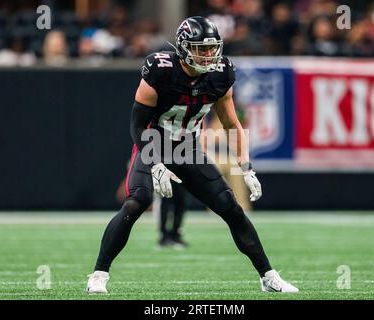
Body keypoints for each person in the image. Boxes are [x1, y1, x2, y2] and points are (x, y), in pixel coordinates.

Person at [86, 16, 298, 294]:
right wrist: (156, 161)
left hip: (187, 148)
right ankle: (99, 273)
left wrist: (246, 167)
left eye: (212, 48)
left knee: (230, 207)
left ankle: (268, 276)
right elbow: (138, 124)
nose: (209, 54)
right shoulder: (160, 70)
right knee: (137, 202)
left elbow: (232, 124)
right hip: (154, 141)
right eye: (201, 48)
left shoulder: (221, 73)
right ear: (184, 48)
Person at [157, 181, 189, 248]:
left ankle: (175, 235)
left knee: (180, 204)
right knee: (165, 205)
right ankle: (164, 236)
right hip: (166, 175)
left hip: (181, 176)